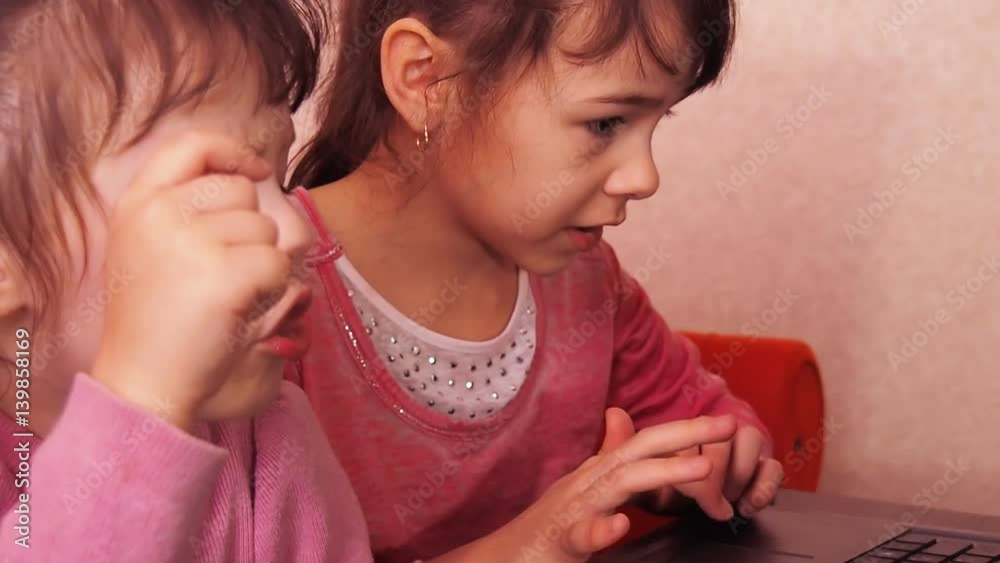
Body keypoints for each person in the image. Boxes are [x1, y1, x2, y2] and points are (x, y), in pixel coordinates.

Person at [0, 2, 740, 561]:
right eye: (216, 184)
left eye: (275, 175)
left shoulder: (275, 441)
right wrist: (144, 406)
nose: (292, 229)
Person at [287, 1, 784, 562]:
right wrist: (533, 544)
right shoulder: (263, 297)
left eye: (656, 122)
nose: (645, 177)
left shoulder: (589, 282)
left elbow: (710, 419)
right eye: (606, 123)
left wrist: (706, 461)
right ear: (425, 79)